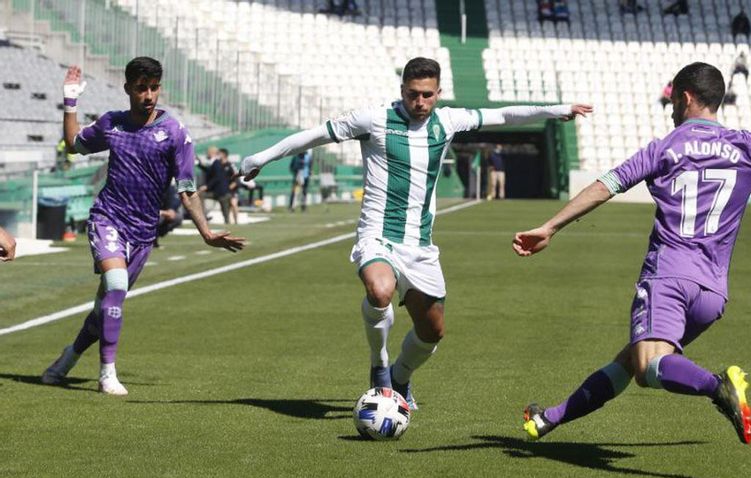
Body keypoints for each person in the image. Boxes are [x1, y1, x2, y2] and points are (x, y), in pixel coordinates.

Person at [513, 61, 751, 445]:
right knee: (631, 359)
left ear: (686, 98)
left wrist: (550, 226)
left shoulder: (665, 148)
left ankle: (716, 387)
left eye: (673, 101)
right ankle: (549, 418)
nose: (671, 108)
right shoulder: (750, 146)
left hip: (668, 276)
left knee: (648, 367)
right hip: (712, 293)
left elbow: (607, 185)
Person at [241, 57, 591, 409]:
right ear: (402, 91)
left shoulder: (448, 121)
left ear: (438, 93)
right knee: (379, 291)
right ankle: (379, 369)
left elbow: (503, 116)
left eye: (427, 95)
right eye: (412, 95)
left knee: (432, 332)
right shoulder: (374, 119)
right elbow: (314, 136)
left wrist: (556, 110)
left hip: (420, 246)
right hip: (377, 235)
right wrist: (262, 156)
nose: (420, 103)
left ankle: (400, 377)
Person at [41, 58, 245, 395]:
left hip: (143, 232)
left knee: (106, 306)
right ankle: (107, 373)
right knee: (116, 284)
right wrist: (70, 101)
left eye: (154, 87)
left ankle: (68, 357)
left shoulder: (174, 132)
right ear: (128, 89)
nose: (148, 95)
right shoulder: (113, 124)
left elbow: (187, 188)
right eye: (141, 88)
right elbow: (74, 144)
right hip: (108, 218)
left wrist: (206, 232)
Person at [199, 147, 233, 224]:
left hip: (221, 192)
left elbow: (217, 177)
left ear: (212, 153)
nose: (206, 154)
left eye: (208, 152)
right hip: (216, 191)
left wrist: (207, 186)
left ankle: (204, 216)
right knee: (200, 195)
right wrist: (199, 164)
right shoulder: (215, 162)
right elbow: (209, 171)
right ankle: (203, 216)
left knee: (225, 213)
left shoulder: (216, 162)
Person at [155, 181, 183, 247]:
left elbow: (171, 214)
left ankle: (155, 237)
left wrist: (168, 210)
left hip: (161, 214)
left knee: (177, 218)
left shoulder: (169, 189)